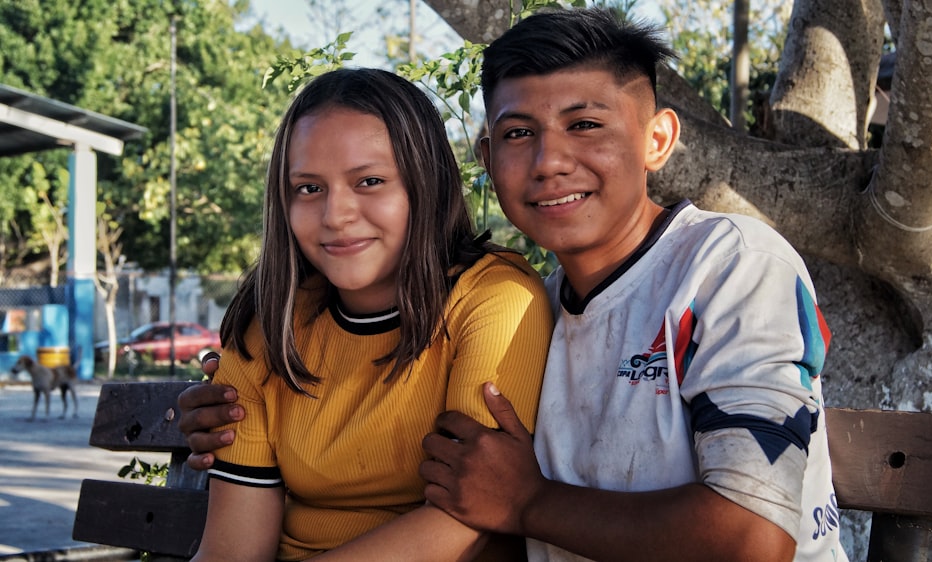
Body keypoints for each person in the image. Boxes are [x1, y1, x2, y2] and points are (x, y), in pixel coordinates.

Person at [182, 8, 847, 561]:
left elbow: (754, 539)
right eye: (518, 133)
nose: (551, 161)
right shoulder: (544, 303)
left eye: (585, 125)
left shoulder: (728, 265)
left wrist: (528, 502)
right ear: (487, 160)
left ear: (657, 139)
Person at [186, 67, 552, 562]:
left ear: (428, 183)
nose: (336, 214)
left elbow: (470, 516)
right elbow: (232, 550)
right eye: (309, 188)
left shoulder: (492, 298)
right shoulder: (274, 324)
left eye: (370, 181)